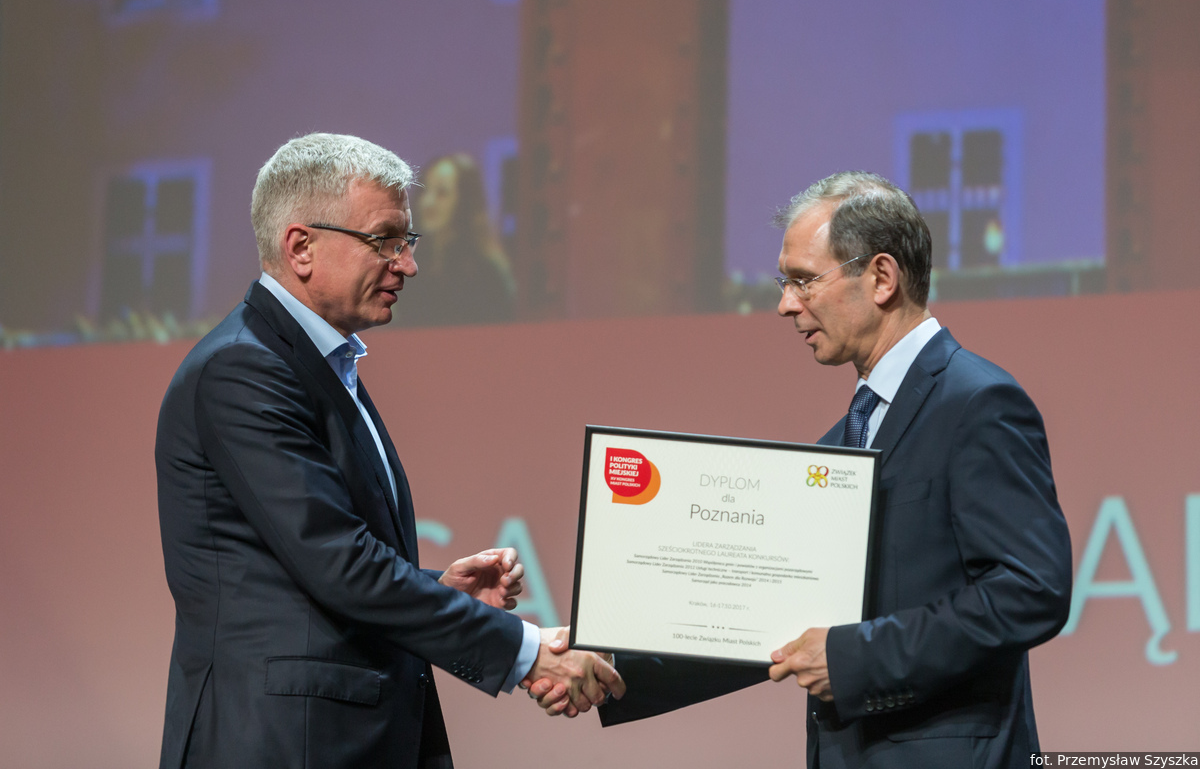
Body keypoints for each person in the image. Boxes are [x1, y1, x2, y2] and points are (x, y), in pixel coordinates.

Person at [529, 171, 1072, 768]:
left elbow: (1030, 592)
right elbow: (763, 626)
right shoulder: (840, 444)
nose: (786, 304)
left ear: (882, 278)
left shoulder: (976, 403)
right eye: (784, 283)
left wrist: (854, 658)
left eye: (804, 280)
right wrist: (610, 663)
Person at [155, 133, 620, 769]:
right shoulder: (243, 369)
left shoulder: (312, 362)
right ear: (301, 247)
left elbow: (302, 573)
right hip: (286, 745)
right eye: (385, 240)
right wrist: (527, 651)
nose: (408, 264)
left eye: (408, 241)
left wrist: (440, 590)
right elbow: (339, 563)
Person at [402, 153, 516, 326]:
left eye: (442, 193)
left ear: (464, 202)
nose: (428, 202)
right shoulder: (406, 262)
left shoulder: (486, 273)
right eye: (424, 190)